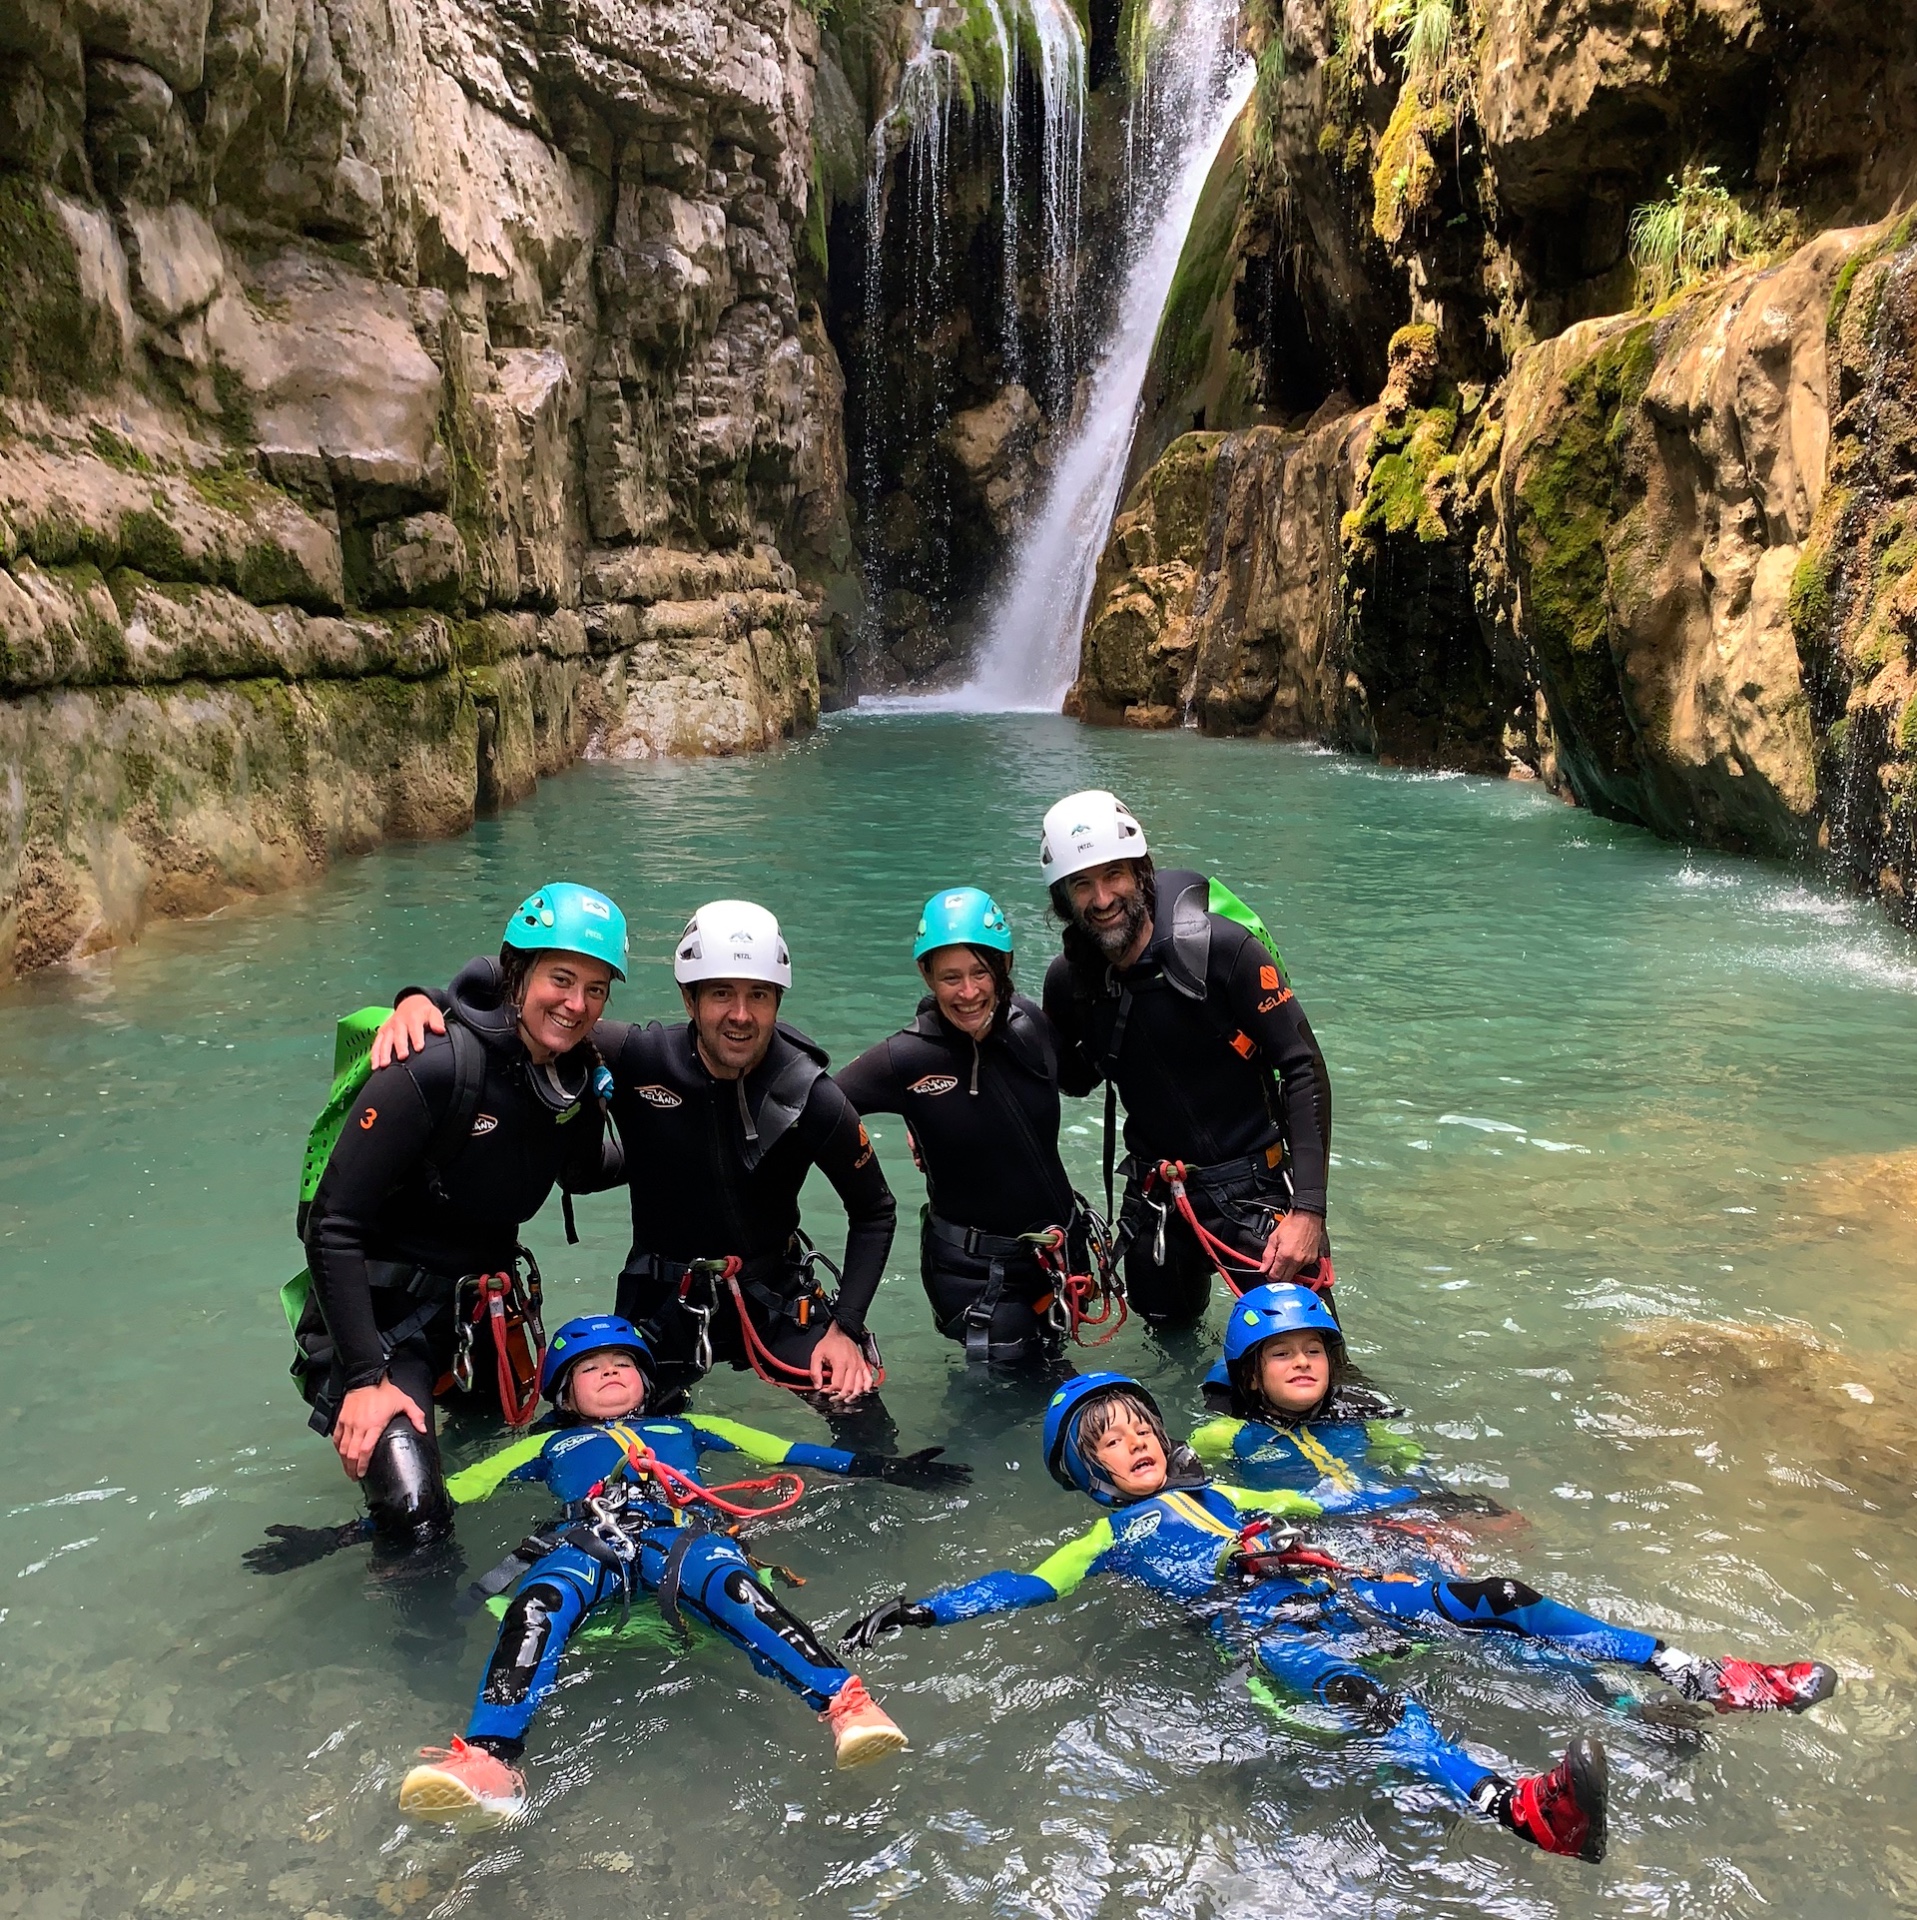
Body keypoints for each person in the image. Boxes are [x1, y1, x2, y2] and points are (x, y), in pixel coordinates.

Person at [841, 1375, 1841, 1863]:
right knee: (1368, 1697)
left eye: (1143, 1425)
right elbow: (1027, 1586)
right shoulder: (1102, 1541)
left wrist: (1438, 1500)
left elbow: (1340, 1508)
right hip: (1277, 1643)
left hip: (1343, 1593)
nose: (1137, 1441)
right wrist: (920, 1610)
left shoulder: (1230, 1493)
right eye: (1110, 1440)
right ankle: (1521, 1807)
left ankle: (1703, 1675)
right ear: (1083, 1470)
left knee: (1495, 1603)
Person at [396, 1315, 970, 1825]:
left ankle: (850, 1710)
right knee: (535, 1605)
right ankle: (489, 1764)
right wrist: (346, 1534)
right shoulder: (549, 1445)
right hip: (587, 1537)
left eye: (623, 1363)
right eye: (591, 1368)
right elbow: (446, 1494)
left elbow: (784, 1451)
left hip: (681, 1533)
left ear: (647, 1381)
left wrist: (883, 1467)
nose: (611, 1372)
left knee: (734, 1586)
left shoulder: (684, 1429)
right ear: (565, 1394)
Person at [376, 900, 899, 1449]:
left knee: (866, 1426)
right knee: (601, 1448)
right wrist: (424, 1000)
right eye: (721, 993)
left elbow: (875, 1209)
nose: (740, 1015)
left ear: (777, 1002)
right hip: (661, 1300)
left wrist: (847, 1328)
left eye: (759, 995)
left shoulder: (808, 1095)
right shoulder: (640, 1055)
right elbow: (531, 992)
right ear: (689, 998)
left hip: (772, 1298)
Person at [1191, 1287, 1843, 1714]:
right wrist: (1300, 1523)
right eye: (1281, 1354)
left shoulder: (1363, 1419)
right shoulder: (1227, 1434)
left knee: (1494, 1626)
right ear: (1250, 1372)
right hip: (1337, 1552)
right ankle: (1645, 1702)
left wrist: (1458, 1514)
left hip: (1402, 1532)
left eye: (1312, 1350)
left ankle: (1656, 1705)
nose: (1301, 1362)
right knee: (1489, 1629)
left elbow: (1418, 1473)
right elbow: (1216, 1504)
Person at [295, 884, 627, 1555]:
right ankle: (419, 1640)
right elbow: (329, 1224)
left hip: (479, 1318)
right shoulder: (434, 1063)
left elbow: (586, 1170)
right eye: (560, 979)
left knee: (496, 1463)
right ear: (518, 972)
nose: (576, 1003)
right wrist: (364, 1382)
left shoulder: (571, 1076)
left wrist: (676, 1140)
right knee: (418, 1520)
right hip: (386, 1330)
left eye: (596, 989)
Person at [1036, 790, 1334, 1328]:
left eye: (1115, 876)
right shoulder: (1070, 982)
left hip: (1257, 1194)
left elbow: (1301, 1066)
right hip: (1156, 1199)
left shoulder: (1222, 949)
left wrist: (1308, 1211)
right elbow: (1075, 1078)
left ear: (1141, 874)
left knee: (1310, 1361)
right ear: (1063, 898)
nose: (1102, 898)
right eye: (1082, 884)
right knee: (1166, 1347)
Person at [835, 887, 1114, 1367]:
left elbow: (1079, 1078)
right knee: (1015, 1401)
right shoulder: (905, 1059)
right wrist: (871, 1162)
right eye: (950, 978)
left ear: (1004, 966)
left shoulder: (1030, 1024)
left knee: (1054, 1378)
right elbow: (811, 1114)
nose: (968, 993)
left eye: (980, 972)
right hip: (977, 1277)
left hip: (1057, 1258)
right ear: (927, 975)